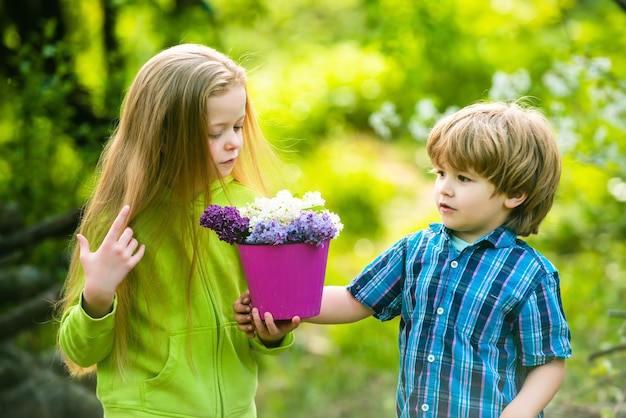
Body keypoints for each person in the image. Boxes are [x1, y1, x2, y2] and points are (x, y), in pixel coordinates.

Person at [235, 100, 572, 417]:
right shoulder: (416, 250)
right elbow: (355, 300)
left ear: (514, 194)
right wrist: (283, 303)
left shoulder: (530, 275)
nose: (445, 189)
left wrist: (520, 411)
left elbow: (549, 361)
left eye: (463, 179)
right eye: (440, 173)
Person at [56, 43, 300, 418]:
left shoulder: (251, 211)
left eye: (237, 126)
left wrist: (271, 333)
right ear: (164, 136)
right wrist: (98, 294)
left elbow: (262, 327)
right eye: (215, 132)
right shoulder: (127, 221)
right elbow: (78, 352)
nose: (234, 142)